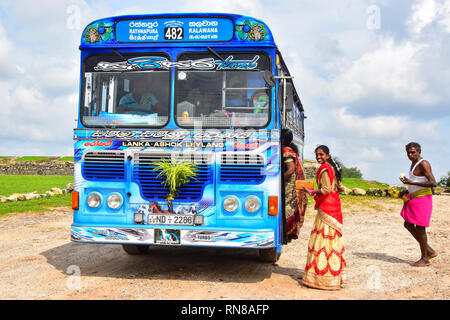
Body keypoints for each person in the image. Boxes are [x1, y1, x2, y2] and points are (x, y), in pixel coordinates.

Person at [301, 145, 346, 290]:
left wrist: (312, 191)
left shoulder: (325, 168)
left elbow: (325, 190)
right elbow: (340, 188)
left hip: (327, 207)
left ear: (327, 155)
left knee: (322, 239)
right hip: (335, 206)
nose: (318, 157)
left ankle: (320, 277)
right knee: (332, 240)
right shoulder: (333, 168)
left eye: (321, 154)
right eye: (317, 154)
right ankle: (333, 277)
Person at [398, 142, 438, 267]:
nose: (410, 155)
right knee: (408, 224)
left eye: (413, 152)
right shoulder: (413, 163)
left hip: (423, 199)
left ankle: (425, 258)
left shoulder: (423, 163)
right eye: (408, 152)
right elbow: (416, 181)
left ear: (419, 152)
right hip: (414, 198)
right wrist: (406, 190)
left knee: (420, 228)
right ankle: (429, 250)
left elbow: (433, 183)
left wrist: (411, 182)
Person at [281, 129, 307, 242]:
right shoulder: (292, 150)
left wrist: (279, 179)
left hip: (289, 186)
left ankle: (285, 233)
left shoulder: (286, 150)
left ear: (281, 139)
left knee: (286, 208)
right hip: (292, 185)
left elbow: (290, 169)